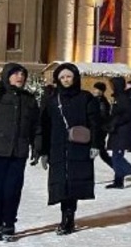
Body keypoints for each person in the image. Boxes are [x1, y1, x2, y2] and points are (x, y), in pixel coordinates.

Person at [0, 63, 41, 242]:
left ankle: (9, 223)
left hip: (18, 151)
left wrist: (37, 146)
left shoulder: (29, 99)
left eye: (22, 74)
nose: (20, 77)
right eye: (15, 73)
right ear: (6, 76)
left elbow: (36, 125)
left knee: (13, 189)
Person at [37, 63, 102, 235]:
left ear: (75, 78)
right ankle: (65, 215)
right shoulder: (52, 100)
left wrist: (96, 144)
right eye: (62, 77)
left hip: (79, 147)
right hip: (57, 147)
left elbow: (95, 123)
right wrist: (43, 151)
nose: (66, 80)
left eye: (69, 77)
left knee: (73, 183)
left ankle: (68, 218)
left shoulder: (86, 98)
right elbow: (45, 126)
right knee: (61, 183)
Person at [105, 77, 131, 189]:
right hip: (118, 130)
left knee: (117, 157)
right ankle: (118, 181)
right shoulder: (118, 96)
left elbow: (125, 115)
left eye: (112, 84)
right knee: (116, 156)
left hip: (122, 131)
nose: (110, 87)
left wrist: (114, 122)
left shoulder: (122, 97)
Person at [91, 83, 115, 171]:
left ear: (101, 91)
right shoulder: (96, 100)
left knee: (100, 154)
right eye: (94, 89)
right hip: (96, 131)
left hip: (99, 132)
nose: (94, 91)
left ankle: (122, 171)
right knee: (102, 154)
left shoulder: (102, 103)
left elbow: (101, 118)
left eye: (97, 89)